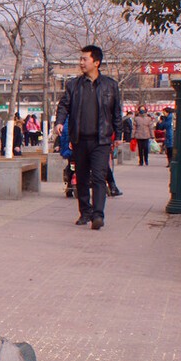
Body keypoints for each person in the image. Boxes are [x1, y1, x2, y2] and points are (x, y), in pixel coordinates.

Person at [55, 44, 123, 231]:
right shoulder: (73, 85)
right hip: (80, 139)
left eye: (85, 59)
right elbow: (63, 106)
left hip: (101, 140)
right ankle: (85, 211)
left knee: (99, 176)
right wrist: (59, 122)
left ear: (96, 62)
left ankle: (98, 215)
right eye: (81, 59)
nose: (81, 62)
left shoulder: (110, 85)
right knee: (82, 177)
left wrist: (120, 134)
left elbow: (116, 112)